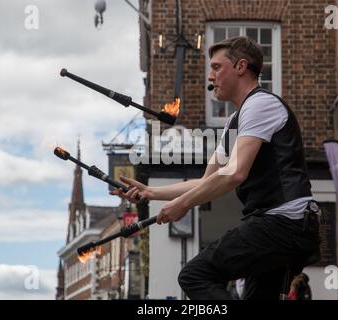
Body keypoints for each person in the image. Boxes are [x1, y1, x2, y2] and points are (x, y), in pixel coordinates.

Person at [111, 36, 320, 299]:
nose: (211, 76)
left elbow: (235, 173)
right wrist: (152, 193)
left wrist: (183, 204)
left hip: (285, 223)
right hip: (278, 226)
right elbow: (206, 181)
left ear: (241, 67)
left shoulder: (261, 104)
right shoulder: (235, 120)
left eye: (217, 67)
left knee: (195, 275)